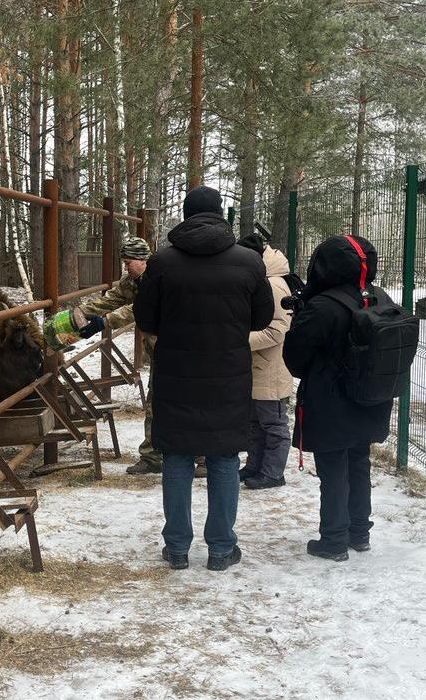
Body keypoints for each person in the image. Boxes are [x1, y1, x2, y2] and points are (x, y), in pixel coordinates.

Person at [133, 185, 273, 571]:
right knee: (224, 457)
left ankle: (177, 547)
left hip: (176, 375)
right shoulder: (248, 261)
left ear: (185, 214)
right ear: (222, 217)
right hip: (228, 375)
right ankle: (221, 548)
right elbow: (262, 319)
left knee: (176, 456)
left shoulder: (161, 262)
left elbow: (145, 319)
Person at [282, 235, 394, 562]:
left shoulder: (322, 306)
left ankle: (332, 540)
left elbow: (295, 359)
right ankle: (359, 533)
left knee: (333, 470)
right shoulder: (379, 298)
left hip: (330, 401)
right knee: (359, 462)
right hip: (370, 398)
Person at [81, 236, 163, 475]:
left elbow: (138, 308)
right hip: (158, 351)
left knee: (182, 403)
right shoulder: (132, 281)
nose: (126, 267)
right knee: (155, 403)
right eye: (124, 262)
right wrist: (80, 313)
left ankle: (201, 457)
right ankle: (153, 457)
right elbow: (113, 299)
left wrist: (104, 322)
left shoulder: (158, 279)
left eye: (129, 262)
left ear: (143, 260)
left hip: (175, 350)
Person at [235, 233, 293, 490]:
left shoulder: (274, 285)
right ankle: (255, 466)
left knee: (273, 424)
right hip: (255, 366)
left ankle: (273, 472)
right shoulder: (259, 280)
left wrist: (238, 339)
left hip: (270, 367)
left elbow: (278, 330)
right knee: (255, 423)